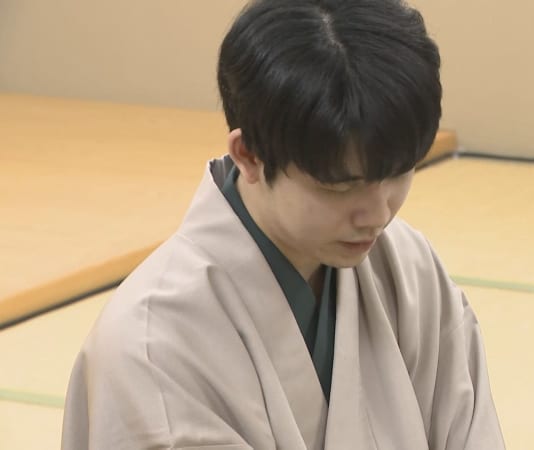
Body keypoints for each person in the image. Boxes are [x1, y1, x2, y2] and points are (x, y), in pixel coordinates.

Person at [61, 0, 505, 448]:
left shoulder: (409, 268)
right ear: (250, 155)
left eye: (398, 173)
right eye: (340, 186)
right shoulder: (154, 344)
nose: (378, 215)